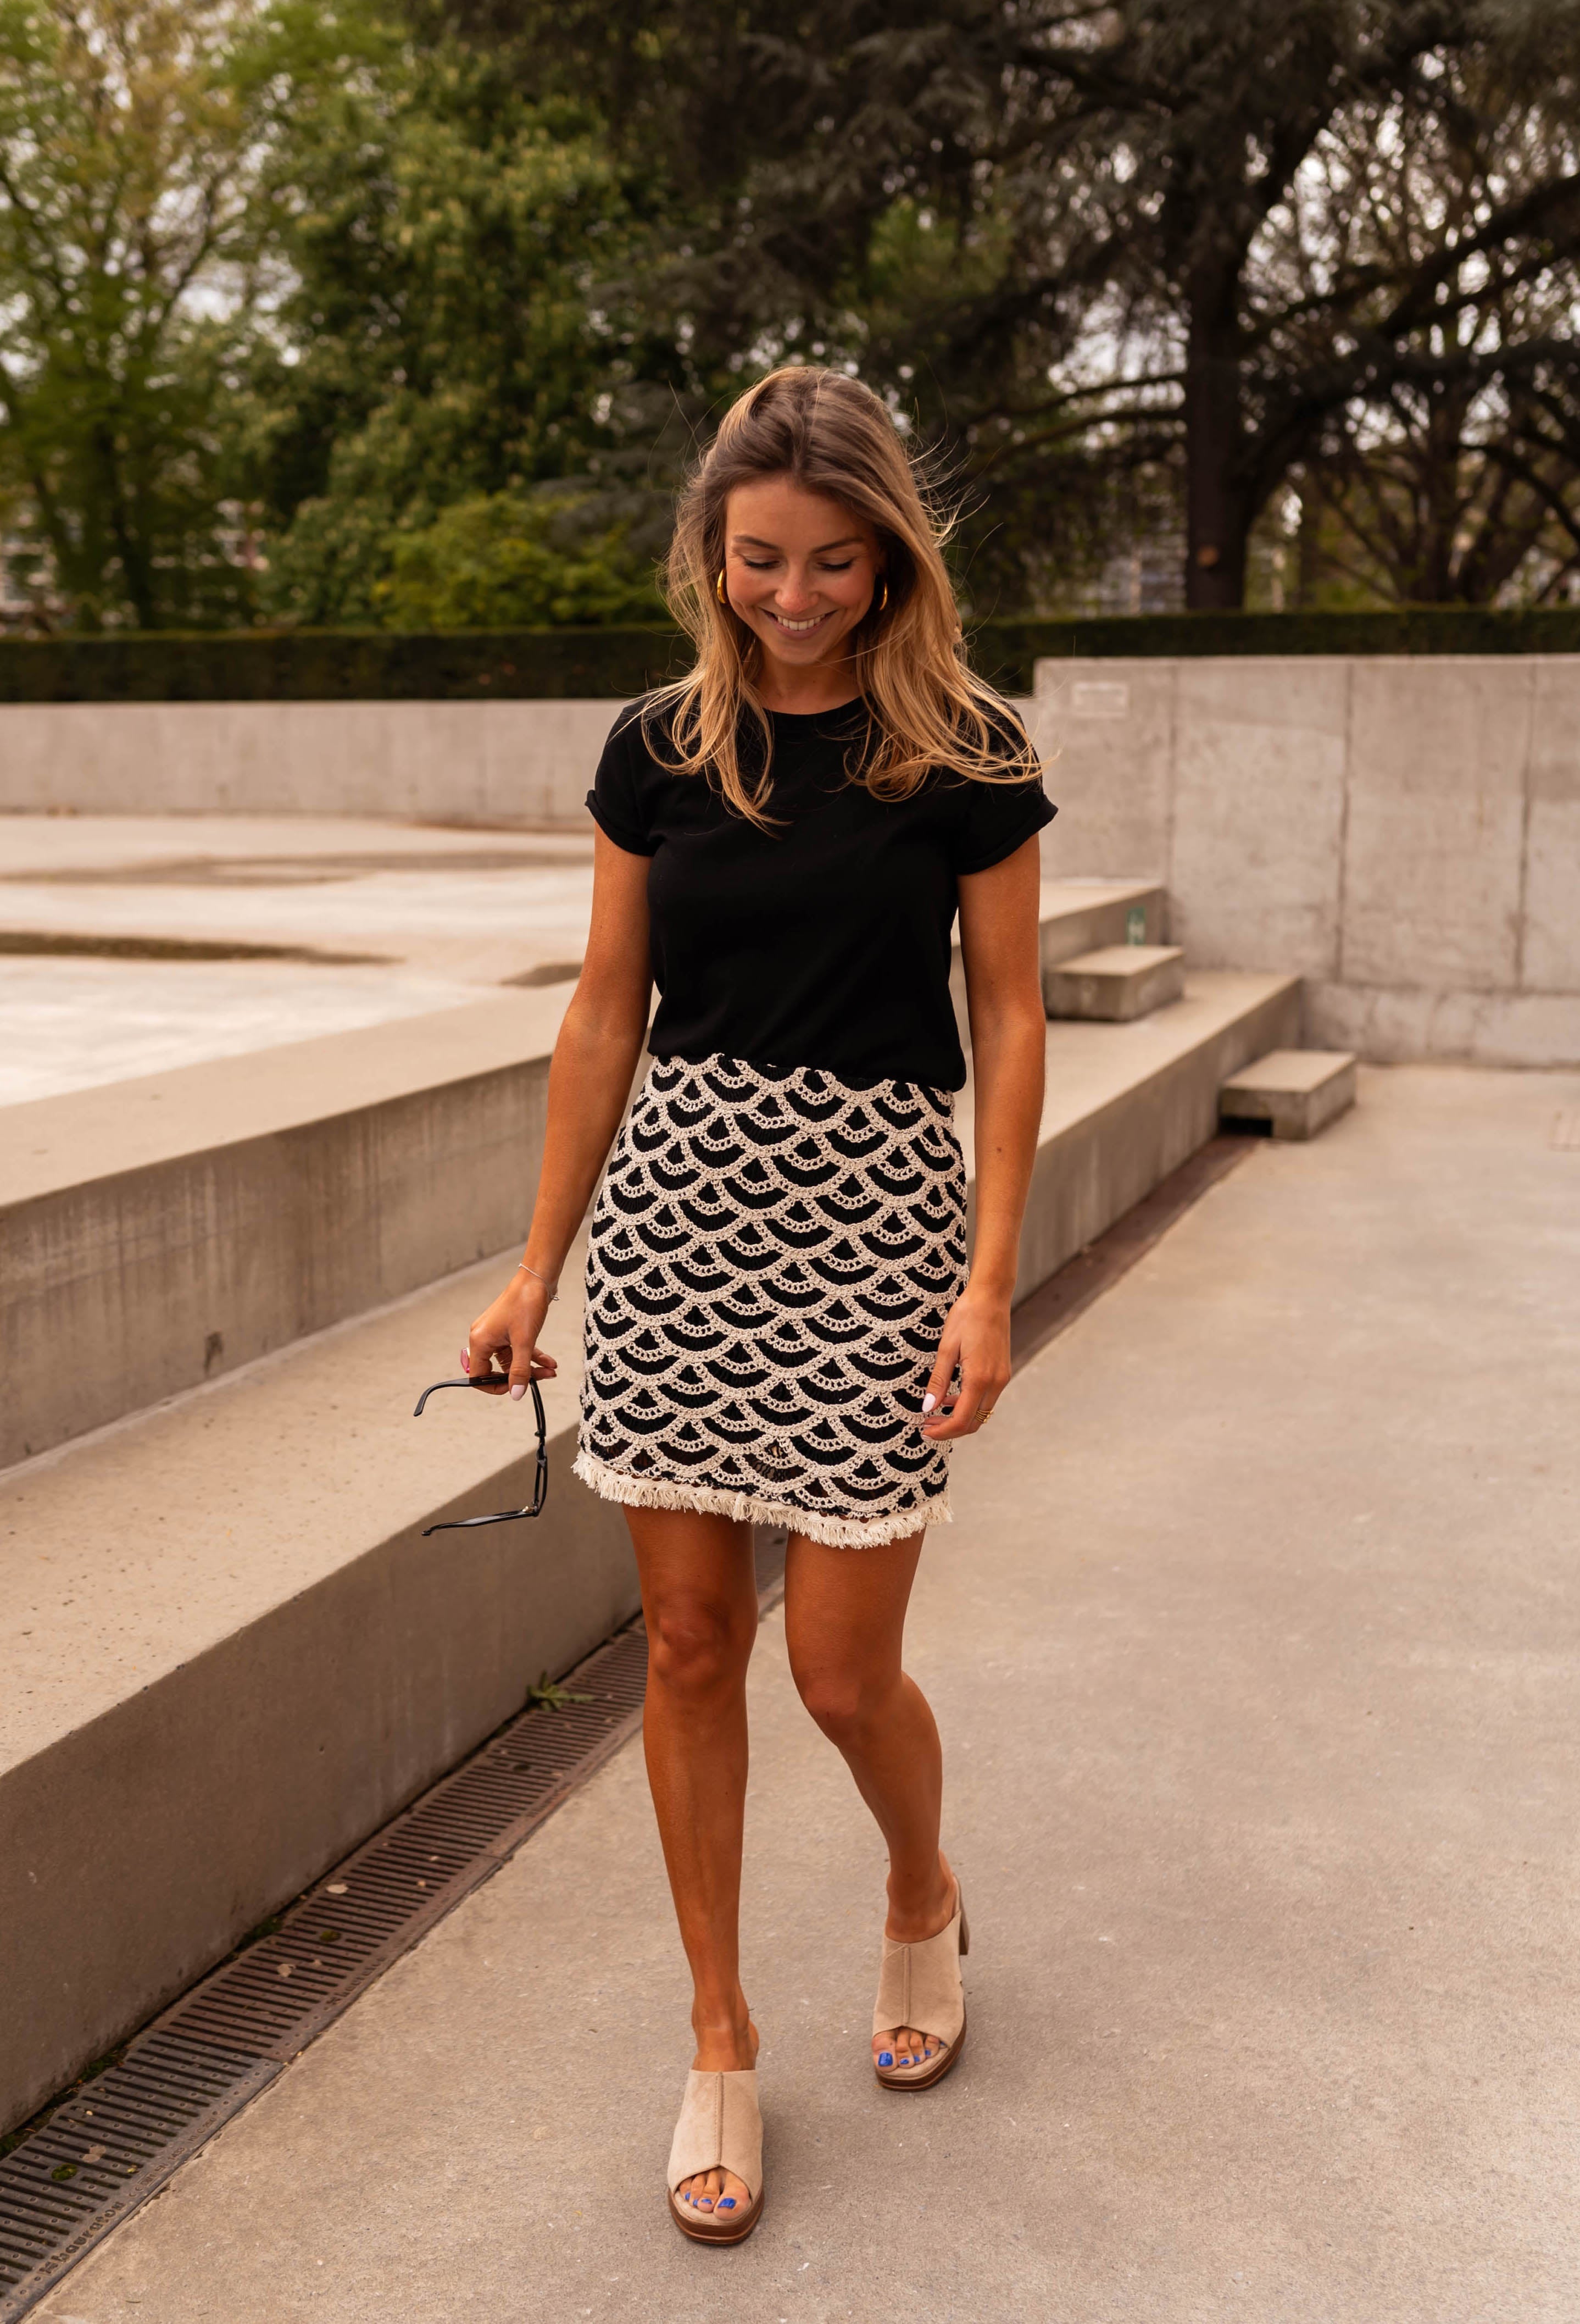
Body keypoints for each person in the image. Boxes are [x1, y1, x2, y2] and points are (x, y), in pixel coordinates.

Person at [463, 364, 1053, 2243]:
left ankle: (918, 1894)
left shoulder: (964, 750)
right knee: (693, 1649)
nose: (791, 598)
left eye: (829, 564)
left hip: (878, 1234)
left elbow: (1013, 1016)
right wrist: (534, 1261)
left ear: (888, 561)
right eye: (757, 563)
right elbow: (601, 1008)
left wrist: (985, 1277)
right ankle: (718, 2037)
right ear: (710, 557)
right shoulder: (656, 748)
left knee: (837, 1671)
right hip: (682, 1230)